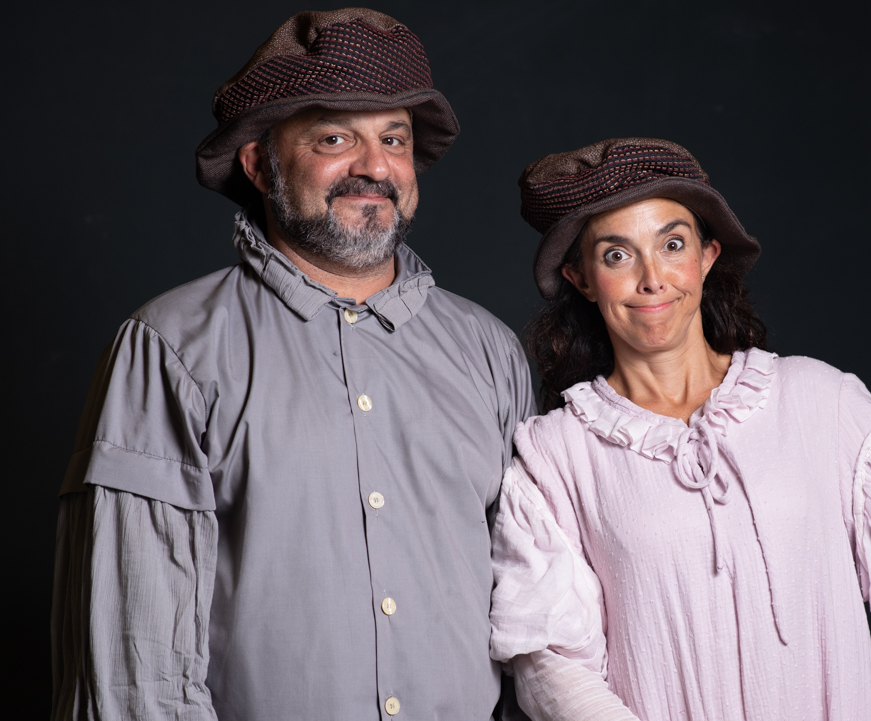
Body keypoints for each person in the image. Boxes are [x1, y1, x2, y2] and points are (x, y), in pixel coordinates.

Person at [51, 9, 533, 721]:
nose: (375, 166)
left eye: (393, 139)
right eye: (335, 138)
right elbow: (135, 663)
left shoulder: (490, 351)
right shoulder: (169, 347)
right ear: (259, 163)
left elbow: (533, 609)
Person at [488, 138, 871, 721]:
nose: (652, 278)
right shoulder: (554, 457)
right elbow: (550, 660)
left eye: (672, 245)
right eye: (617, 255)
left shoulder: (821, 401)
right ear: (582, 279)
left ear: (708, 256)